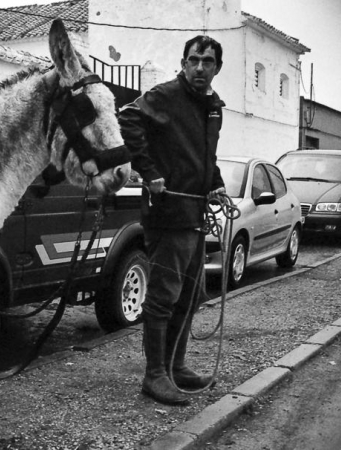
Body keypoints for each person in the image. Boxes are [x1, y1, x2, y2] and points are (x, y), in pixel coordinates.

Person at [118, 35, 227, 406]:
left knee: (191, 294)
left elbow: (205, 157)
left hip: (196, 215)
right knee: (163, 297)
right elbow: (127, 118)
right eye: (194, 60)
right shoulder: (164, 96)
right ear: (183, 62)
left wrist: (216, 184)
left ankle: (176, 366)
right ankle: (154, 376)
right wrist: (148, 172)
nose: (200, 67)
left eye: (207, 61)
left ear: (217, 68)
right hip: (168, 216)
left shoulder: (214, 107)